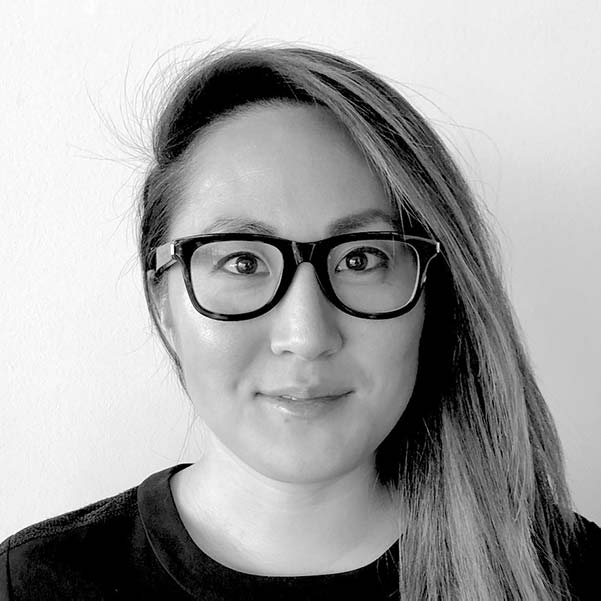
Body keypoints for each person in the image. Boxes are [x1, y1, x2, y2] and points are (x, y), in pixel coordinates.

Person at [0, 45, 598, 601]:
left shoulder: (571, 574)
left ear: (431, 297)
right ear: (164, 305)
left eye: (362, 259)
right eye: (242, 261)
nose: (307, 337)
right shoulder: (29, 584)